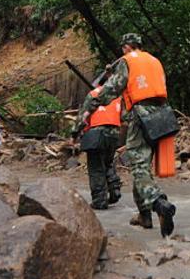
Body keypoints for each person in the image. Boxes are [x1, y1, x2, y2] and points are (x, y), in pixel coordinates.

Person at [74, 33, 177, 237]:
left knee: (139, 167)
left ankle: (158, 202)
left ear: (125, 47)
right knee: (144, 166)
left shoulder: (126, 61)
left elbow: (111, 89)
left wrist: (91, 106)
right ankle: (144, 216)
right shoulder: (154, 60)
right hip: (164, 116)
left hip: (140, 116)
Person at [76, 96, 125, 210]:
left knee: (96, 168)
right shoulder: (116, 96)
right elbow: (123, 117)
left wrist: (74, 134)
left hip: (96, 134)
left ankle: (99, 201)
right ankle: (114, 189)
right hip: (114, 134)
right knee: (108, 163)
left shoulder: (93, 95)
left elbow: (82, 118)